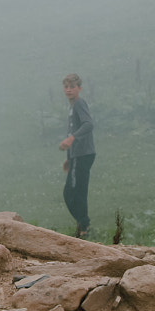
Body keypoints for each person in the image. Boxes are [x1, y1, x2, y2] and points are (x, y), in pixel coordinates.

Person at [59, 73, 95, 239]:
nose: (69, 90)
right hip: (77, 155)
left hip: (83, 154)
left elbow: (88, 124)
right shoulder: (73, 105)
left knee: (71, 193)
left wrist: (72, 139)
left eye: (72, 87)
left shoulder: (80, 103)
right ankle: (83, 228)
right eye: (66, 87)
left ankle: (84, 225)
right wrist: (69, 157)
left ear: (79, 88)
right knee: (77, 191)